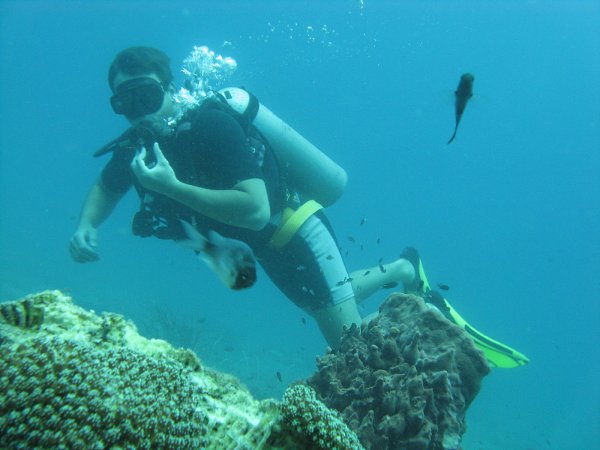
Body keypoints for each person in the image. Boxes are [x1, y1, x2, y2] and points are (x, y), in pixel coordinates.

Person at [69, 46, 425, 348]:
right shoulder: (139, 148)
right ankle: (402, 268)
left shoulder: (210, 126)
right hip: (268, 248)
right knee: (323, 305)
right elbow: (106, 187)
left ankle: (426, 319)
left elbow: (256, 210)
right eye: (126, 103)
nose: (140, 111)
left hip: (296, 231)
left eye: (146, 96)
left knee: (350, 345)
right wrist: (86, 224)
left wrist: (171, 188)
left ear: (170, 88)